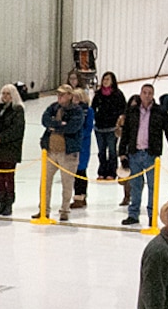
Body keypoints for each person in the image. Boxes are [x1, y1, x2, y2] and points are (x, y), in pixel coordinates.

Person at [118, 83, 168, 227]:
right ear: (140, 94)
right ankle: (133, 214)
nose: (147, 95)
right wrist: (122, 152)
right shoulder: (132, 111)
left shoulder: (160, 111)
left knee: (153, 186)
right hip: (134, 154)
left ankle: (152, 216)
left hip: (152, 155)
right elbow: (125, 132)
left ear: (153, 95)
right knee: (135, 185)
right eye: (144, 92)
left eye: (149, 93)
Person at [39, 85, 89, 221]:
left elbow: (72, 127)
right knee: (45, 181)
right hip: (50, 151)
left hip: (68, 153)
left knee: (67, 183)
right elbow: (44, 120)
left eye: (63, 95)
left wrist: (55, 125)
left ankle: (64, 210)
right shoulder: (53, 107)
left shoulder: (77, 111)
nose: (59, 97)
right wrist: (60, 124)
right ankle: (44, 209)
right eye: (58, 94)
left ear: (70, 95)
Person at [0, 84, 26, 217]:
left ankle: (9, 203)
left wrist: (1, 138)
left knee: (9, 176)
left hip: (10, 148)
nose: (6, 96)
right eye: (4, 93)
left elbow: (16, 130)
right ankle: (1, 202)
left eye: (8, 94)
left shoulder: (17, 110)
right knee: (0, 177)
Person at [90, 71, 127, 179]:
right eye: (104, 79)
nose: (105, 81)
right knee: (101, 151)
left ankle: (112, 172)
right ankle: (102, 171)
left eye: (108, 79)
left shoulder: (118, 94)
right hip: (99, 127)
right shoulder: (98, 94)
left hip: (112, 128)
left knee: (112, 151)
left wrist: (119, 121)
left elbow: (123, 109)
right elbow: (93, 108)